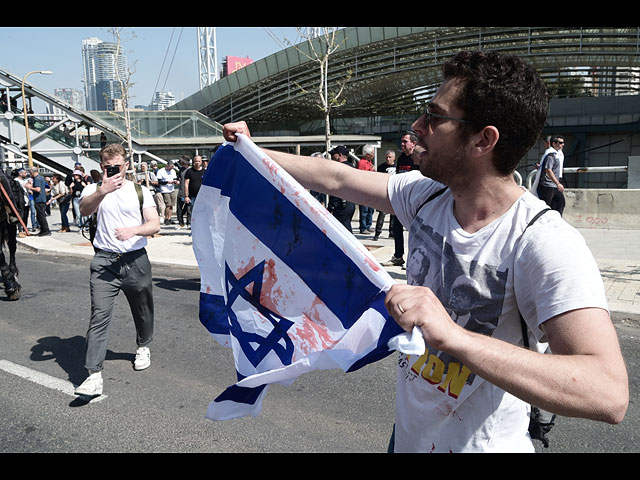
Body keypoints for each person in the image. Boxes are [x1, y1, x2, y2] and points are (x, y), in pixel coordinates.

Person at [221, 50, 628, 452]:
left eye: (435, 117)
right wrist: (251, 151)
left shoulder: (542, 242)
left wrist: (452, 336)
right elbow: (337, 179)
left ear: (483, 140)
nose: (418, 126)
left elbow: (607, 393)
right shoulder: (426, 194)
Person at [74, 144, 160, 398]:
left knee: (142, 309)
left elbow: (154, 223)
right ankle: (93, 375)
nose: (113, 170)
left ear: (126, 166)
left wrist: (134, 230)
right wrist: (103, 190)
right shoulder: (93, 189)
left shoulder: (139, 190)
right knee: (99, 314)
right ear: (102, 167)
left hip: (136, 259)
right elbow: (84, 210)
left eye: (117, 166)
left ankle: (143, 345)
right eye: (108, 166)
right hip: (104, 262)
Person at [382, 131, 419, 267]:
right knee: (396, 227)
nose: (402, 144)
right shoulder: (401, 158)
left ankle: (412, 259)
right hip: (401, 200)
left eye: (405, 141)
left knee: (413, 231)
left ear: (414, 143)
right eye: (402, 141)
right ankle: (398, 256)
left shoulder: (419, 158)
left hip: (414, 201)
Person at [326, 145, 356, 233]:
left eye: (333, 154)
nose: (331, 157)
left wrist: (331, 206)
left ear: (339, 155)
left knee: (344, 232)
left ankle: (351, 246)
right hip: (350, 204)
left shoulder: (338, 169)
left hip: (340, 205)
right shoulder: (352, 168)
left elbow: (336, 188)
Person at [537, 135, 565, 212]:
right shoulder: (551, 155)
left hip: (554, 184)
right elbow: (548, 170)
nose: (563, 144)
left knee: (560, 203)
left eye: (563, 143)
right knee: (547, 206)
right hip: (548, 185)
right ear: (554, 143)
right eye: (560, 143)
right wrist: (558, 183)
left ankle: (556, 222)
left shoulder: (558, 154)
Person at [373, 150, 397, 241]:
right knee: (382, 213)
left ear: (394, 158)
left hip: (394, 193)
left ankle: (392, 232)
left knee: (393, 215)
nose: (388, 159)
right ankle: (377, 233)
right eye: (387, 157)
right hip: (384, 193)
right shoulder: (381, 167)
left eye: (390, 157)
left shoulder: (397, 167)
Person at [24, 167, 50, 236]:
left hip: (39, 199)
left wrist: (29, 187)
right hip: (41, 199)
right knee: (39, 216)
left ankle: (46, 230)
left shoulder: (37, 179)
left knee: (41, 216)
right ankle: (43, 230)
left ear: (32, 172)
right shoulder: (41, 178)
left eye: (30, 172)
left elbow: (38, 189)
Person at [357, 145, 376, 234]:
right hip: (364, 189)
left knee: (370, 209)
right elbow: (361, 175)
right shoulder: (362, 163)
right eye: (372, 153)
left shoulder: (369, 162)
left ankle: (368, 225)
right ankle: (363, 227)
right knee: (364, 210)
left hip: (371, 188)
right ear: (367, 154)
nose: (373, 154)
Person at [184, 154, 205, 225]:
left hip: (202, 196)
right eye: (196, 161)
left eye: (199, 161)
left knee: (202, 211)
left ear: (201, 162)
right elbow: (186, 184)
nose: (197, 163)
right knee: (191, 210)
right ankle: (190, 224)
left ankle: (201, 224)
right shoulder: (189, 171)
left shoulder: (205, 171)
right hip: (192, 195)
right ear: (193, 162)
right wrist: (186, 196)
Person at [156, 160, 179, 225]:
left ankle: (169, 218)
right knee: (168, 205)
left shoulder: (173, 171)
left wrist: (175, 181)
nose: (171, 169)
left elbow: (175, 179)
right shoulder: (161, 171)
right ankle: (166, 218)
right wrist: (167, 182)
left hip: (172, 189)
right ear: (167, 166)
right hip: (165, 190)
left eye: (172, 168)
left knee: (172, 205)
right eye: (170, 167)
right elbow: (159, 182)